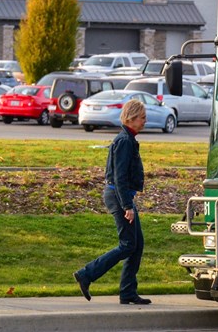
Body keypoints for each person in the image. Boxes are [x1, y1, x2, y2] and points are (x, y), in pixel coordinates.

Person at [73, 100, 151, 305]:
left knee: (136, 244)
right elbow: (120, 177)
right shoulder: (125, 141)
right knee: (127, 245)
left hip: (121, 195)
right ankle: (86, 274)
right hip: (118, 196)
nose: (145, 121)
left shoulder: (128, 139)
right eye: (142, 118)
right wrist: (127, 206)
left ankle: (127, 292)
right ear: (132, 118)